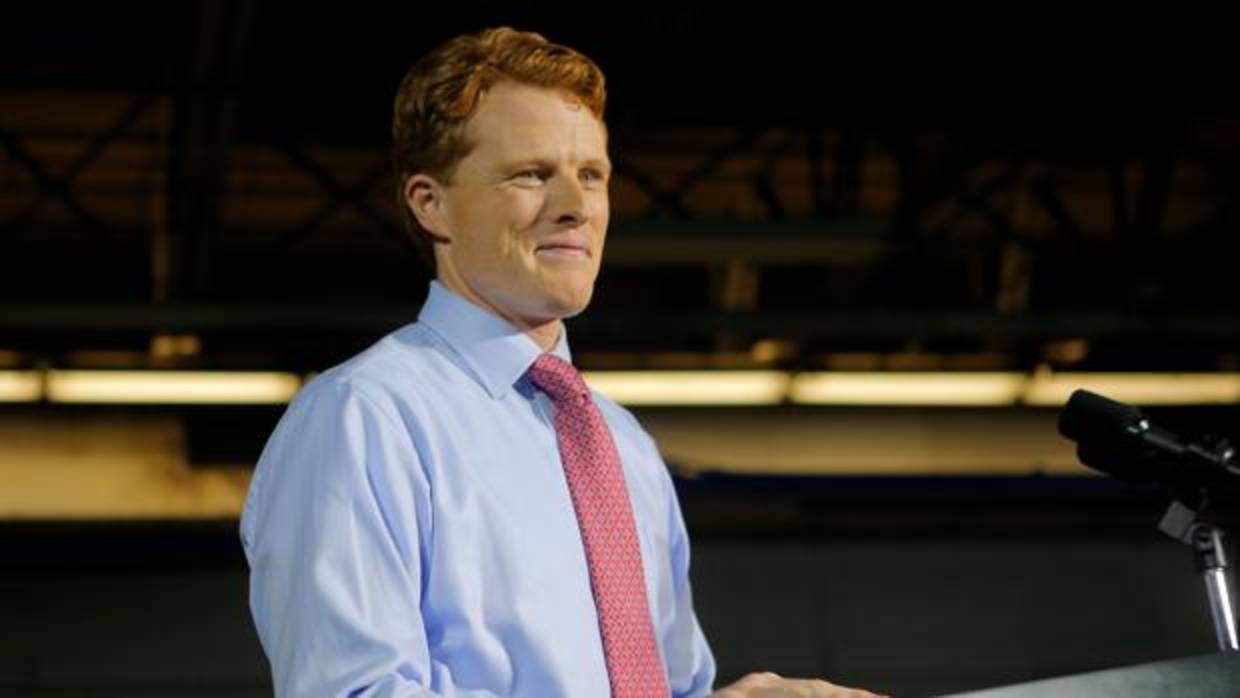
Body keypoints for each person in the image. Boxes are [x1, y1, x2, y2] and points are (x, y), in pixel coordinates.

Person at [240, 26, 886, 698]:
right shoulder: (365, 420)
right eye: (531, 174)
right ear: (432, 204)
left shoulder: (623, 444)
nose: (576, 207)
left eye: (591, 175)